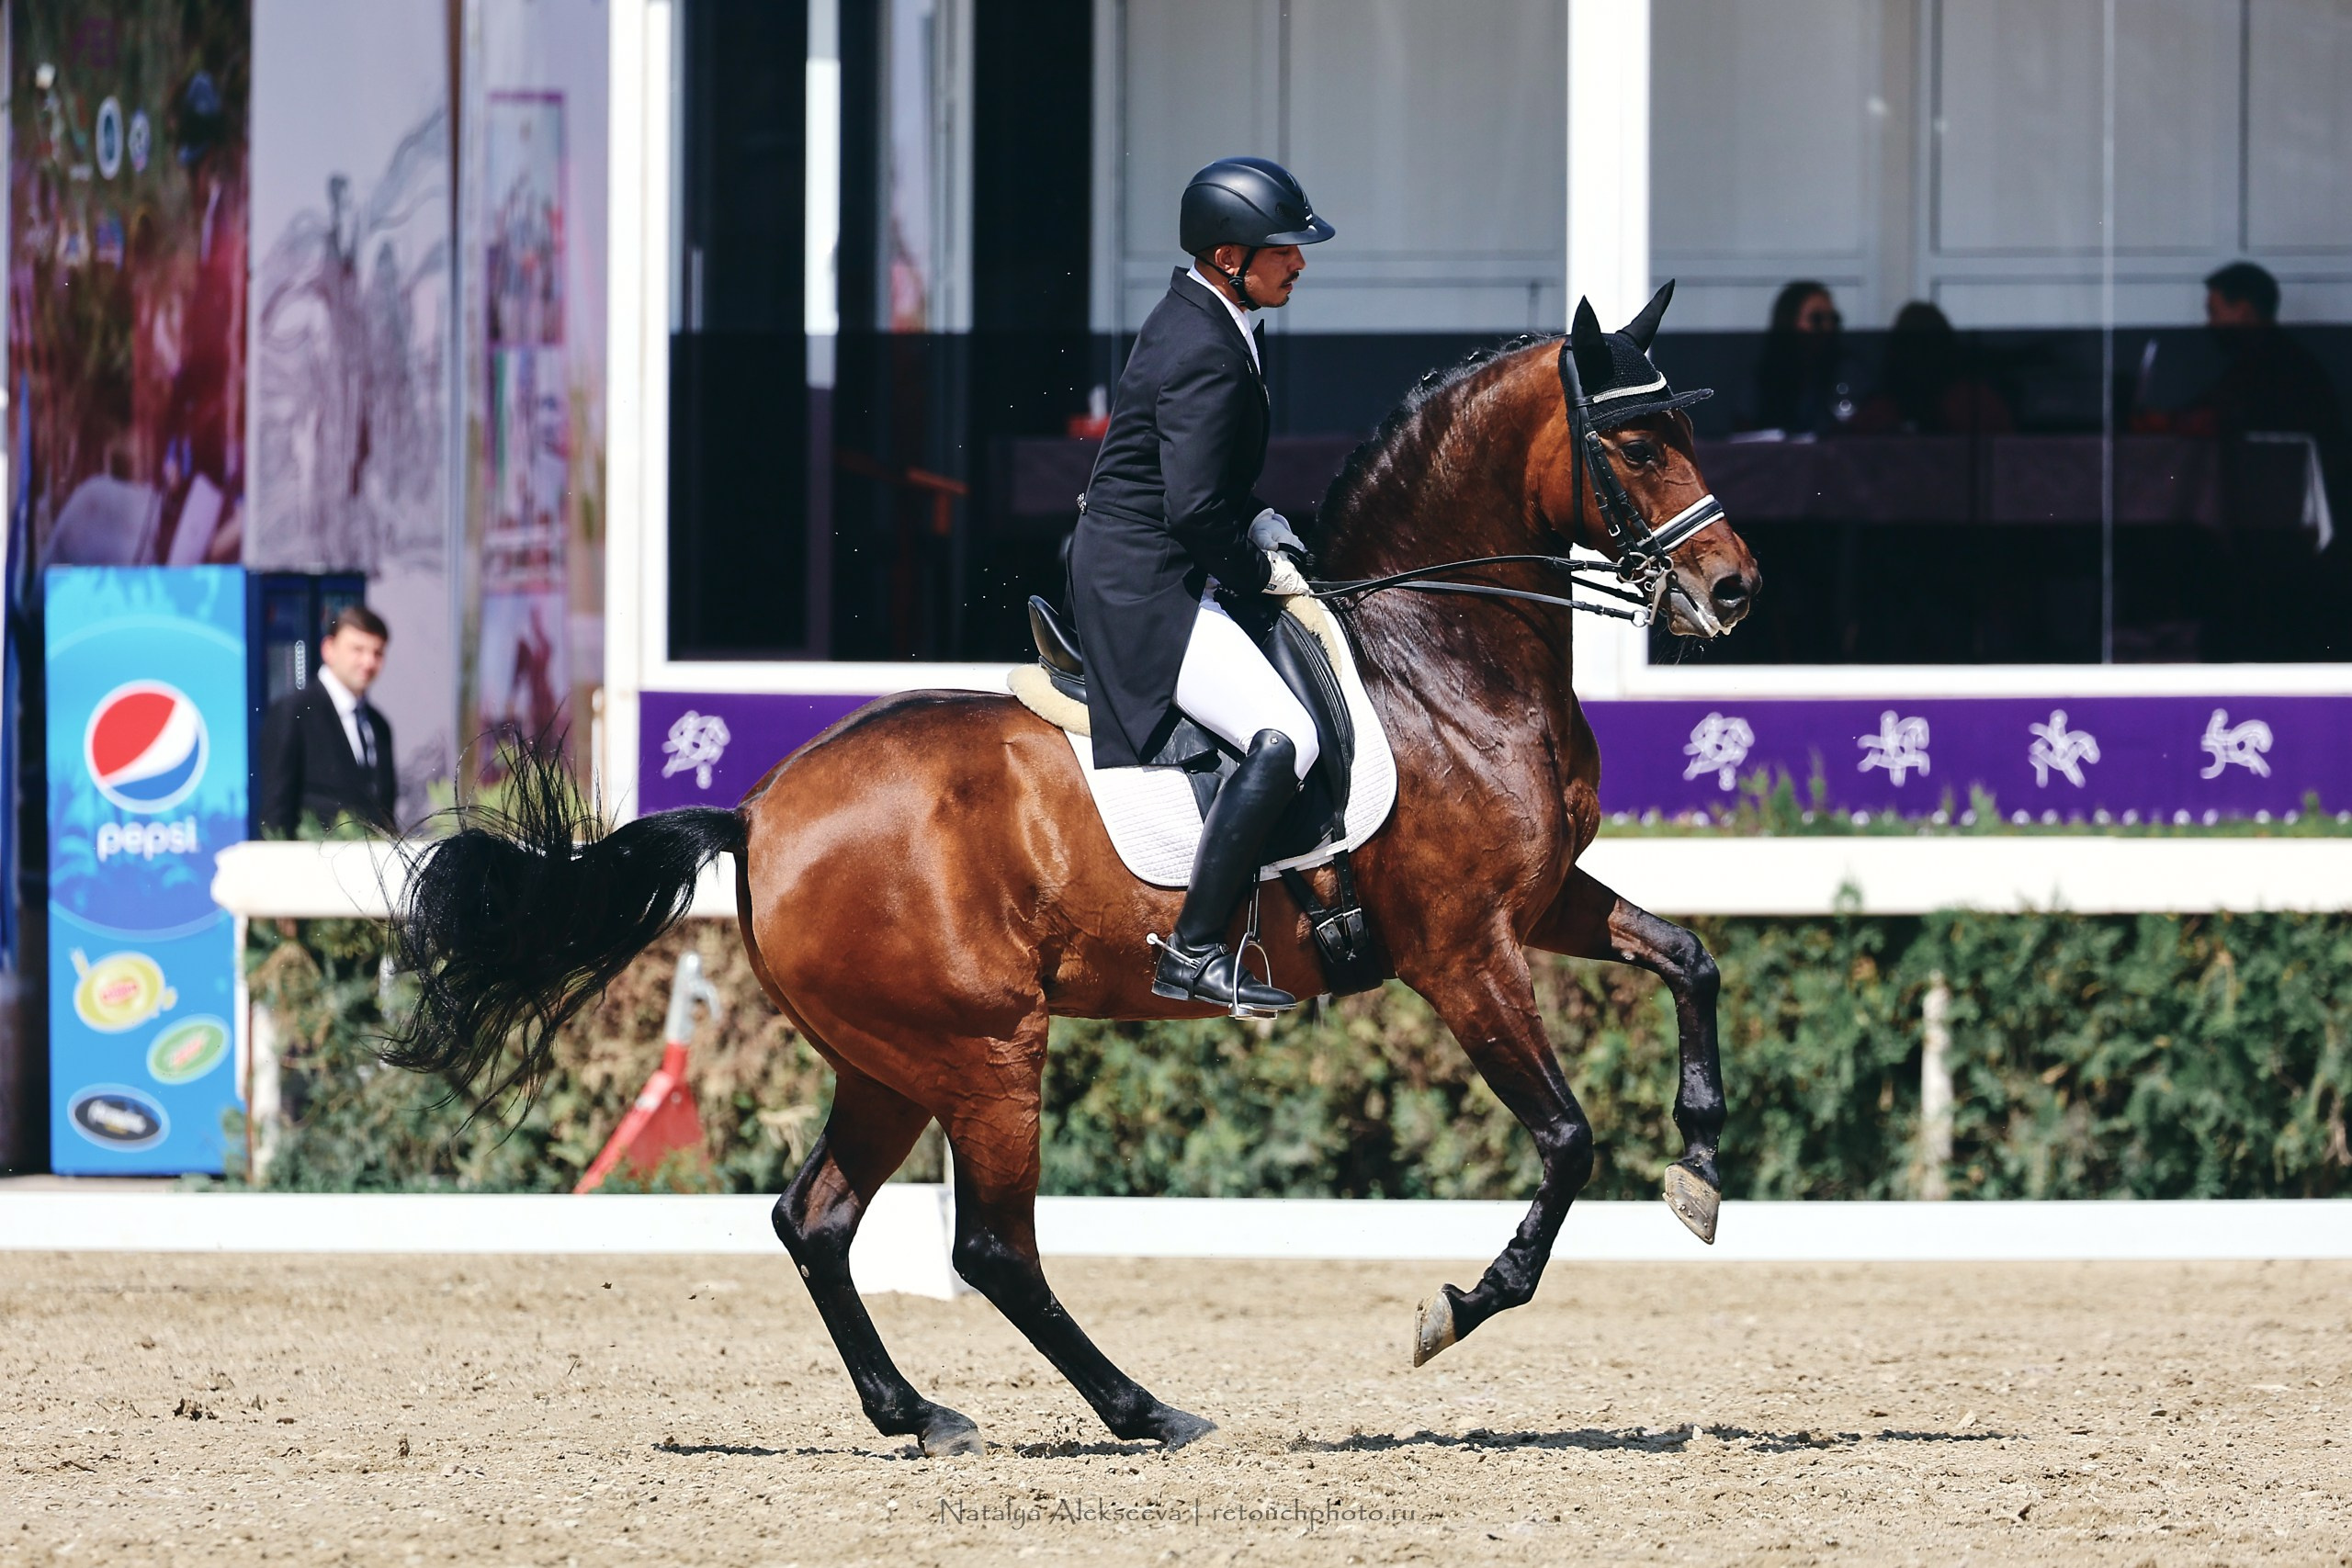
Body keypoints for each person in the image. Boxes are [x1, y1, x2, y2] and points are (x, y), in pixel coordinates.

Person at [1069, 156, 1335, 1014]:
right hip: (1149, 586)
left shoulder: (1210, 316)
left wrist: (1260, 522)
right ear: (1231, 257)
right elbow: (1190, 511)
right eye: (1283, 249)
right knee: (1286, 731)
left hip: (1159, 559)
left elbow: (1203, 483)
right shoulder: (1206, 347)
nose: (1298, 262)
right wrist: (1263, 571)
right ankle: (1191, 950)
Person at [258, 605, 398, 835]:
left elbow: (385, 813)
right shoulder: (294, 712)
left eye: (377, 653)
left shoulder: (379, 725)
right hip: (313, 864)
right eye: (357, 649)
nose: (368, 662)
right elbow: (276, 812)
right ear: (328, 649)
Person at [1851, 300, 2013, 435]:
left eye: (1927, 346)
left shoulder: (1974, 404)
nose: (1919, 358)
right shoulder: (1880, 411)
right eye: (1912, 346)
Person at [1749, 279, 1857, 437]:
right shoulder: (1765, 373)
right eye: (1817, 319)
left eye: (1833, 319)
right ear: (1790, 321)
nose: (1827, 327)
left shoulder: (1847, 369)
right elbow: (1746, 425)